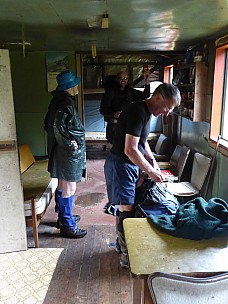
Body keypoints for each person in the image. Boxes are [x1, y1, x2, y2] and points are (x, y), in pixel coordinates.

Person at [104, 83, 181, 267]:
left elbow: (141, 143)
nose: (167, 113)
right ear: (159, 97)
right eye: (167, 108)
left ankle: (121, 247)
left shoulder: (146, 113)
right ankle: (127, 257)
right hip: (120, 165)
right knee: (126, 211)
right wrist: (150, 171)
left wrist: (152, 160)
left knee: (125, 207)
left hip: (129, 166)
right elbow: (130, 149)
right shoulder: (137, 111)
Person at [44, 69, 87, 239]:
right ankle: (68, 225)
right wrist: (70, 144)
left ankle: (63, 218)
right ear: (70, 86)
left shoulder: (57, 100)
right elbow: (56, 127)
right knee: (69, 187)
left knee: (63, 185)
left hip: (61, 151)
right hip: (67, 153)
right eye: (75, 83)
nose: (77, 86)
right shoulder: (66, 103)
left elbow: (47, 124)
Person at [100, 70, 150, 145]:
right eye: (121, 78)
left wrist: (147, 80)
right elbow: (102, 110)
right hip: (114, 125)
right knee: (115, 147)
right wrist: (113, 114)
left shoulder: (129, 91)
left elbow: (145, 95)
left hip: (126, 124)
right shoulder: (110, 92)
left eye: (126, 78)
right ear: (117, 79)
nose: (123, 80)